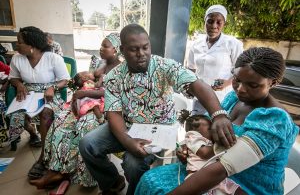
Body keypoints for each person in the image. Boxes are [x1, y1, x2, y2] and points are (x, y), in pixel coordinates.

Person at [79, 24, 235, 195]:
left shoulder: (164, 66)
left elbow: (197, 85)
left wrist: (219, 114)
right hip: (127, 126)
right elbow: (113, 113)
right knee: (87, 144)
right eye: (133, 49)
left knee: (133, 164)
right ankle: (113, 182)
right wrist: (127, 140)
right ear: (122, 50)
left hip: (160, 128)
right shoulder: (113, 77)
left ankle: (136, 191)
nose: (141, 54)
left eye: (145, 47)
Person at [135, 47, 299, 195]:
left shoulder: (275, 120)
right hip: (209, 168)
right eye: (237, 79)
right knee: (150, 180)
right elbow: (204, 132)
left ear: (274, 83)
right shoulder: (232, 99)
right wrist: (189, 147)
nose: (240, 89)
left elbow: (223, 169)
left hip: (246, 186)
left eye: (253, 85)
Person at [29, 32, 122, 189]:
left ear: (116, 49)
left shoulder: (121, 68)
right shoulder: (100, 64)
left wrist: (85, 93)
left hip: (107, 108)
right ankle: (57, 170)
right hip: (89, 101)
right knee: (60, 122)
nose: (101, 49)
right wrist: (78, 93)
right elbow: (87, 81)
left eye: (105, 46)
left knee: (84, 125)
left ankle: (87, 176)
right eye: (100, 45)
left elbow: (113, 92)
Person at [8, 26, 70, 179]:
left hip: (49, 94)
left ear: (32, 45)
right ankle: (33, 134)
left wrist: (53, 87)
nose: (17, 45)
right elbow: (13, 78)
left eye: (20, 42)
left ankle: (43, 157)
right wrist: (19, 85)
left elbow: (65, 80)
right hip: (28, 93)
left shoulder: (53, 58)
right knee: (16, 114)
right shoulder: (17, 58)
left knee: (46, 113)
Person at [187, 4, 243, 115]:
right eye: (210, 21)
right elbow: (190, 69)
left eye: (219, 22)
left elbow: (241, 70)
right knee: (195, 126)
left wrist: (227, 83)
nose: (214, 26)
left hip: (221, 98)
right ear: (205, 21)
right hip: (199, 96)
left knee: (216, 128)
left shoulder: (232, 44)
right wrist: (189, 86)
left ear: (224, 24)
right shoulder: (196, 44)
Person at [182, 114, 245, 194]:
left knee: (238, 191)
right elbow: (204, 153)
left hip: (216, 177)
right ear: (196, 132)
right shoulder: (192, 137)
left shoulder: (210, 141)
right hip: (198, 177)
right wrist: (225, 144)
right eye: (209, 128)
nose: (213, 130)